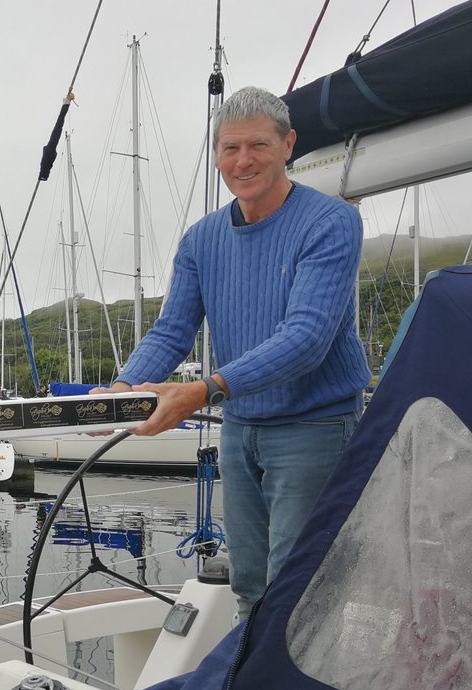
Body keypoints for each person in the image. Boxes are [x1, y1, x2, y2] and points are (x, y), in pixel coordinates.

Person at [99, 86, 368, 618]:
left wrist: (205, 390)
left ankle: (293, 673)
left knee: (298, 587)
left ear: (288, 145)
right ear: (217, 155)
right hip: (241, 427)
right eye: (230, 148)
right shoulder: (201, 240)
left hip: (314, 426)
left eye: (258, 145)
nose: (243, 160)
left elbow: (307, 337)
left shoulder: (331, 222)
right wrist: (121, 389)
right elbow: (172, 331)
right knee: (249, 582)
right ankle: (251, 671)